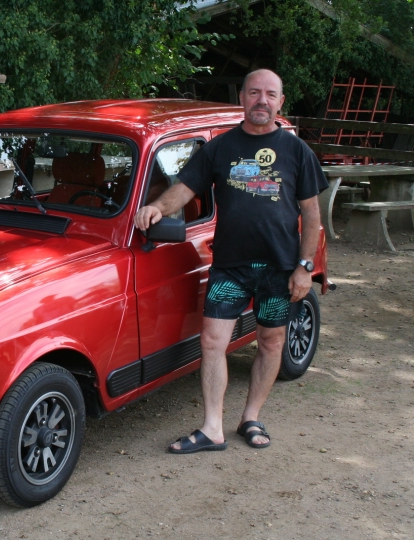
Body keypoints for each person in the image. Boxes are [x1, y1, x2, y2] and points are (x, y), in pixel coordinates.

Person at [134, 69, 327, 453]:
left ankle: (251, 417)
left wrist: (305, 267)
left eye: (270, 94)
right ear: (242, 97)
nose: (261, 100)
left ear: (280, 102)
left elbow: (312, 215)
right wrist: (157, 207)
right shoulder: (220, 147)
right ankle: (212, 428)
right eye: (254, 92)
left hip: (278, 268)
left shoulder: (297, 151)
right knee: (212, 341)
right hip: (230, 267)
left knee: (271, 342)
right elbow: (184, 189)